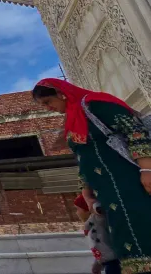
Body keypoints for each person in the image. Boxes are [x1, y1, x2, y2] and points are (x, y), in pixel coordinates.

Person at [32, 79, 151, 274]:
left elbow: (135, 131)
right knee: (122, 235)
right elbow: (83, 158)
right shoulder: (72, 119)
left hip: (129, 180)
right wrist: (86, 192)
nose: (48, 108)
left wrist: (147, 170)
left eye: (47, 102)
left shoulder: (96, 104)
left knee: (141, 224)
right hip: (106, 190)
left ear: (61, 93)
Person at [74, 193, 121, 274]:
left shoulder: (98, 219)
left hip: (115, 262)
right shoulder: (89, 225)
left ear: (87, 210)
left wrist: (91, 203)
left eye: (78, 209)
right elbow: (100, 246)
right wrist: (98, 263)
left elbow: (99, 208)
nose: (76, 213)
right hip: (107, 261)